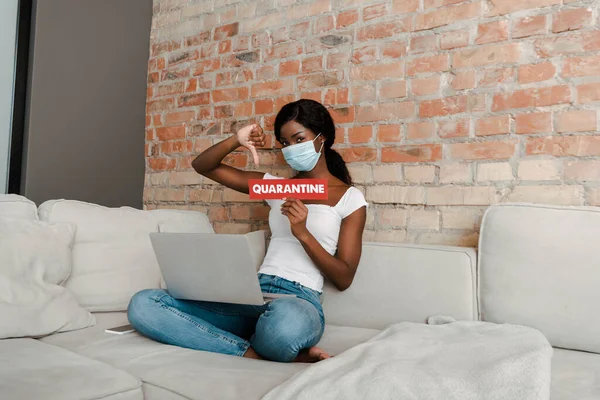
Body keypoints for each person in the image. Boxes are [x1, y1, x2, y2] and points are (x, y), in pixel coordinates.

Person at [127, 99, 368, 363]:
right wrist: (236, 140)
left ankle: (257, 343)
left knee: (283, 330)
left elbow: (344, 278)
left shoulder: (348, 198)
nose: (291, 149)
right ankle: (249, 351)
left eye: (299, 139)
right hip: (253, 295)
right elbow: (204, 167)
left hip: (299, 301)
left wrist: (303, 234)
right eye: (285, 143)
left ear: (322, 138)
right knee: (144, 304)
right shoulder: (279, 188)